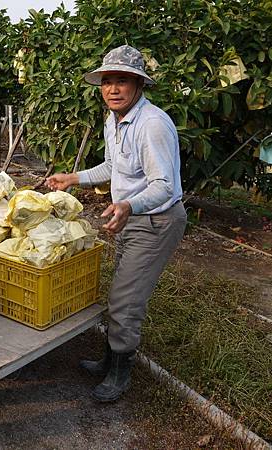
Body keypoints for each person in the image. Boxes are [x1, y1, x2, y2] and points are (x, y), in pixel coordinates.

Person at [46, 45, 187, 402]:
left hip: (155, 220)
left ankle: (120, 373)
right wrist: (72, 178)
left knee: (126, 300)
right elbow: (114, 167)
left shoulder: (152, 125)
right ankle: (111, 358)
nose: (113, 89)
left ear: (138, 84)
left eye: (122, 81)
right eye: (107, 81)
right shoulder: (114, 119)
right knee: (119, 292)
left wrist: (127, 204)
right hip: (129, 216)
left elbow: (164, 186)